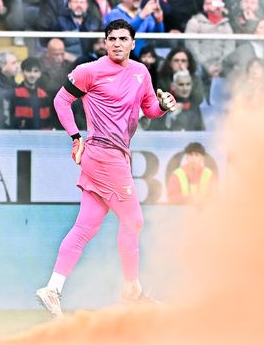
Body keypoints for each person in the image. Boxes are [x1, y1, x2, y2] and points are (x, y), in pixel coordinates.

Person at [35, 20, 177, 317]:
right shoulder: (91, 71)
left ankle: (53, 288)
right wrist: (75, 136)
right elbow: (61, 101)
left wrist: (163, 105)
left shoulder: (141, 73)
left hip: (116, 154)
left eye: (123, 39)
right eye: (111, 38)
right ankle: (132, 291)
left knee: (86, 226)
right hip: (104, 154)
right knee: (134, 221)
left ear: (132, 44)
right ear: (104, 42)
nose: (116, 43)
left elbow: (149, 108)